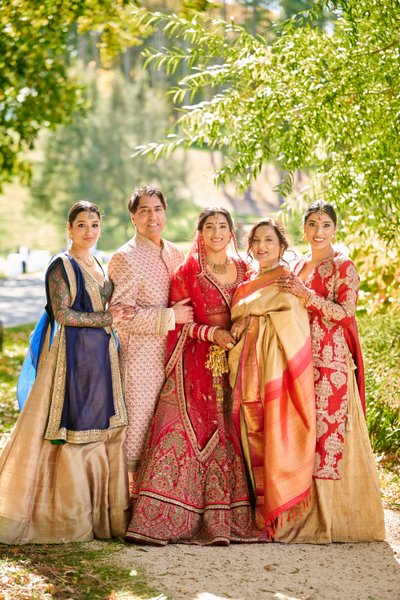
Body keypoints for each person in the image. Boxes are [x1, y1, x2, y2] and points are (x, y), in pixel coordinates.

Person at [125, 207, 265, 545]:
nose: (216, 233)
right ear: (199, 233)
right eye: (209, 227)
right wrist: (211, 335)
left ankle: (223, 518)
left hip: (234, 362)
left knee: (229, 431)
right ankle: (164, 518)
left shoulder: (246, 270)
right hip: (192, 365)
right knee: (179, 430)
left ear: (232, 232)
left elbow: (258, 307)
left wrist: (241, 330)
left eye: (222, 226)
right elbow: (181, 322)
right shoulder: (186, 273)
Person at [0, 201, 133, 544]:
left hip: (99, 355)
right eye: (81, 225)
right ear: (69, 228)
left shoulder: (97, 263)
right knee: (68, 426)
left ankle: (102, 514)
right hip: (71, 357)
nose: (89, 231)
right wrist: (108, 318)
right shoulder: (62, 265)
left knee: (100, 428)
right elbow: (63, 314)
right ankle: (59, 515)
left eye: (94, 225)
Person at [275, 200, 385, 543]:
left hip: (331, 362)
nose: (318, 231)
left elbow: (345, 312)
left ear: (334, 228)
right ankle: (297, 511)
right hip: (299, 356)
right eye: (311, 224)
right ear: (303, 228)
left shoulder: (343, 266)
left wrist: (307, 296)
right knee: (301, 432)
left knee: (327, 436)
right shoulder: (298, 264)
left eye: (324, 224)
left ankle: (332, 519)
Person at [228, 218, 316, 538]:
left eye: (269, 241)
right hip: (249, 364)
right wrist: (248, 316)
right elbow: (239, 316)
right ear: (249, 247)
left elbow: (294, 321)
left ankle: (278, 514)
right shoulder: (246, 285)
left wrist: (254, 314)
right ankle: (259, 511)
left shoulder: (286, 281)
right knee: (252, 429)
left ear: (281, 247)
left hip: (276, 366)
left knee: (274, 430)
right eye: (256, 241)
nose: (262, 246)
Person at [107, 185, 192, 494]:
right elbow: (119, 316)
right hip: (140, 359)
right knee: (138, 430)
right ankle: (128, 503)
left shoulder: (174, 252)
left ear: (164, 212)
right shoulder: (124, 257)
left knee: (169, 426)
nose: (152, 216)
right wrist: (170, 317)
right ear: (133, 217)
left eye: (157, 209)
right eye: (144, 211)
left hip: (175, 356)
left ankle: (163, 497)